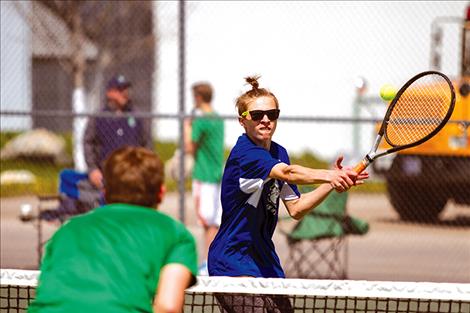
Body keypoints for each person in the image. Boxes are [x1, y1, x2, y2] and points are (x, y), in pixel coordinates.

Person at [207, 76, 368, 312]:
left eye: (272, 114)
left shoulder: (279, 152)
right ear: (242, 121)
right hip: (232, 261)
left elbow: (297, 208)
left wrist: (333, 183)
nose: (265, 120)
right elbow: (289, 173)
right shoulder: (245, 153)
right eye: (257, 115)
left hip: (266, 262)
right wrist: (329, 175)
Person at [28, 146, 197, 313]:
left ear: (105, 192)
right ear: (161, 192)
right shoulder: (176, 234)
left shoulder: (66, 230)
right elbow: (168, 307)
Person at [84, 74, 153, 191]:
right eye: (120, 90)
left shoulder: (137, 116)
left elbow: (147, 144)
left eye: (126, 89)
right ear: (109, 93)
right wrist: (93, 169)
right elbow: (88, 143)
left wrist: (144, 170)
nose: (125, 93)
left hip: (132, 175)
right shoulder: (99, 117)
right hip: (106, 174)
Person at [184, 82, 224, 275]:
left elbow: (190, 147)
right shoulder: (218, 119)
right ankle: (211, 261)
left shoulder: (200, 121)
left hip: (204, 175)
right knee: (214, 221)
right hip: (217, 175)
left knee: (207, 222)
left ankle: (208, 263)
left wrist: (187, 126)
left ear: (198, 98)